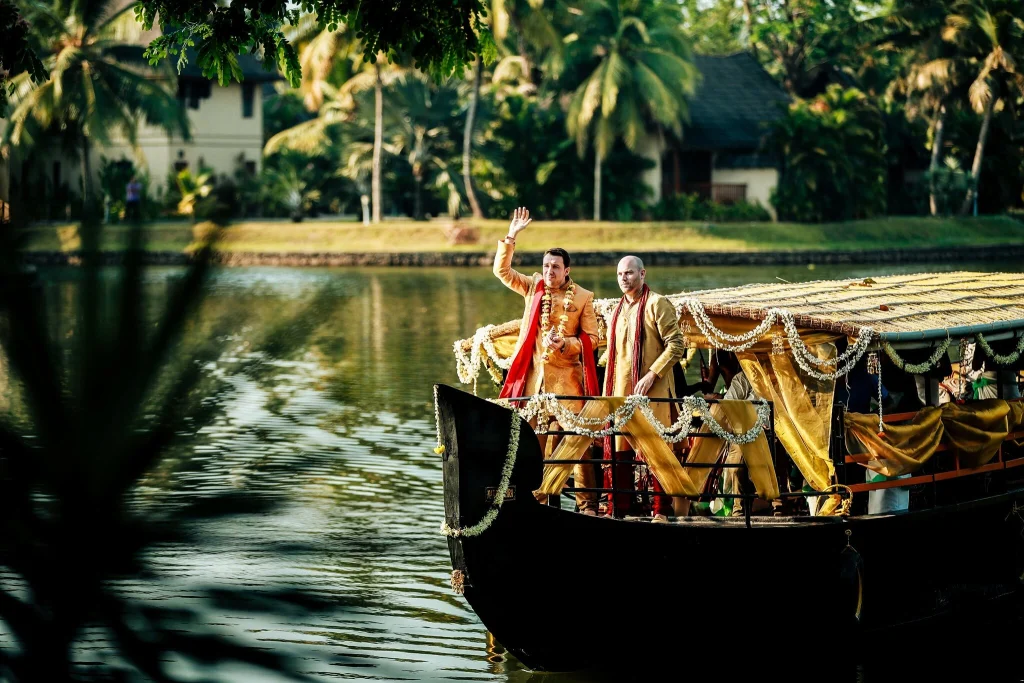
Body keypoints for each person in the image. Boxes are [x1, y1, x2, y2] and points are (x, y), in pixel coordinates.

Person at [494, 207, 600, 514]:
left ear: (567, 270)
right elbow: (502, 272)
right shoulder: (533, 287)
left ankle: (588, 505)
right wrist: (511, 236)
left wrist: (565, 343)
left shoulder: (583, 297)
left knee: (578, 445)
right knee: (531, 445)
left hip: (568, 383)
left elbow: (593, 339)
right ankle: (533, 504)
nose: (550, 271)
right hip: (534, 383)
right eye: (546, 265)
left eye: (555, 266)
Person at [602, 255, 685, 521]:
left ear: (642, 274)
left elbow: (677, 344)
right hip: (621, 393)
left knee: (657, 450)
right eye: (619, 274)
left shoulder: (657, 304)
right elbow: (615, 355)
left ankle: (661, 511)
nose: (623, 278)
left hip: (653, 392)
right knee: (620, 452)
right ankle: (619, 509)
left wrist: (652, 374)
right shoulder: (617, 310)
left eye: (628, 273)